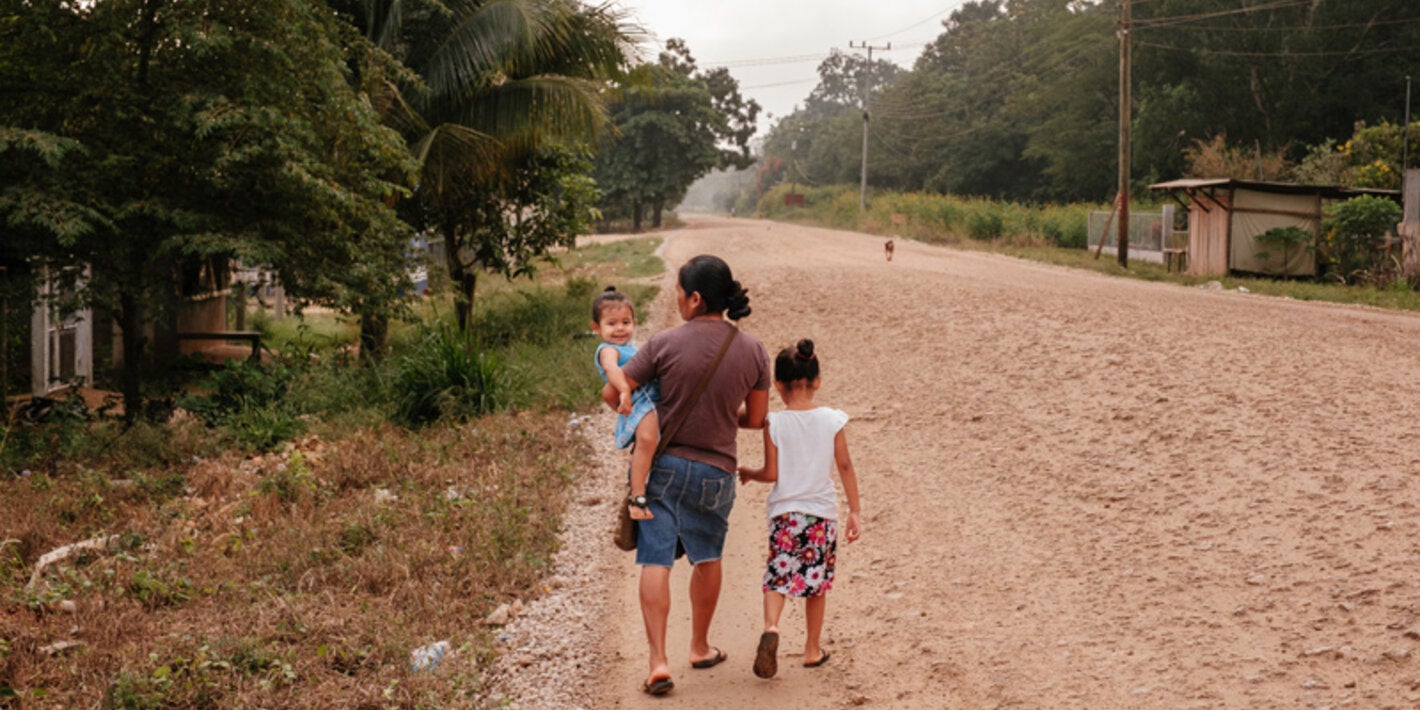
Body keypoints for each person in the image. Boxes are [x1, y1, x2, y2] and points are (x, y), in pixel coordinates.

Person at [607, 254, 770, 696]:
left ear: (696, 299)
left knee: (655, 559)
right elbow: (755, 419)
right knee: (708, 556)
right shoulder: (753, 350)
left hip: (665, 467)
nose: (677, 301)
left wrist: (647, 414)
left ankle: (658, 661)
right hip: (717, 472)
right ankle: (699, 646)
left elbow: (612, 390)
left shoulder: (664, 343)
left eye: (680, 293)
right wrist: (717, 412)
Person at [737, 339, 862, 680]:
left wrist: (749, 472)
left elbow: (772, 473)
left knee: (778, 575)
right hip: (820, 515)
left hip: (784, 515)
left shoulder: (774, 423)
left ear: (778, 385)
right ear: (817, 380)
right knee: (816, 583)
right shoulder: (832, 420)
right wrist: (854, 510)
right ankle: (811, 649)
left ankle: (773, 627)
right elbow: (846, 465)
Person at [590, 286, 660, 518]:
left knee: (651, 443)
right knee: (647, 440)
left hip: (648, 397)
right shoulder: (607, 350)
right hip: (640, 401)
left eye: (626, 322)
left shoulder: (629, 347)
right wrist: (624, 391)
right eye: (611, 323)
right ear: (596, 328)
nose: (620, 328)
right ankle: (637, 498)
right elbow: (611, 369)